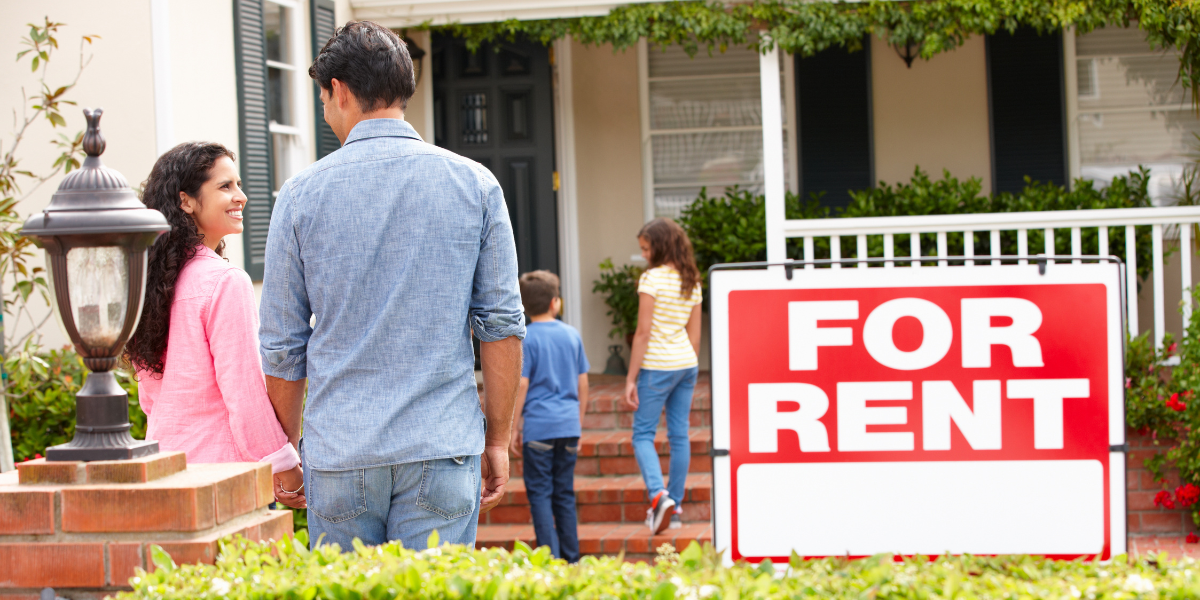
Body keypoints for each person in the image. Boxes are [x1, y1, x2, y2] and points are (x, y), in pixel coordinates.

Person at [259, 21, 525, 551]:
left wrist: (285, 452)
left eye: (324, 98)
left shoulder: (299, 196)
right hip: (442, 444)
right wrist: (497, 438)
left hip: (341, 452)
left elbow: (283, 347)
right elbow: (501, 327)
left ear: (338, 90)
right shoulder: (475, 184)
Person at [126, 142, 305, 508]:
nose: (241, 196)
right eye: (225, 186)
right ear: (186, 201)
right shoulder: (224, 282)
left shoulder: (149, 282)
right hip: (225, 476)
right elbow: (244, 393)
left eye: (238, 185)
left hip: (166, 469)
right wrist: (283, 465)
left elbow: (150, 398)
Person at [623, 218, 703, 535]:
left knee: (642, 435)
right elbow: (694, 336)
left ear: (659, 245)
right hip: (686, 364)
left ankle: (658, 496)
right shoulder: (691, 280)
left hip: (657, 366)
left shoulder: (652, 279)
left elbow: (642, 333)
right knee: (679, 435)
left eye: (645, 248)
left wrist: (630, 378)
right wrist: (687, 363)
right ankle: (677, 505)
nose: (643, 254)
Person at [510, 271, 589, 562]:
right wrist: (578, 424)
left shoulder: (526, 339)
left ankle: (550, 562)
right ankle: (572, 559)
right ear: (555, 302)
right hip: (568, 426)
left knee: (541, 495)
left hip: (539, 429)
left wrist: (512, 428)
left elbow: (522, 385)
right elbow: (583, 383)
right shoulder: (572, 335)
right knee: (564, 494)